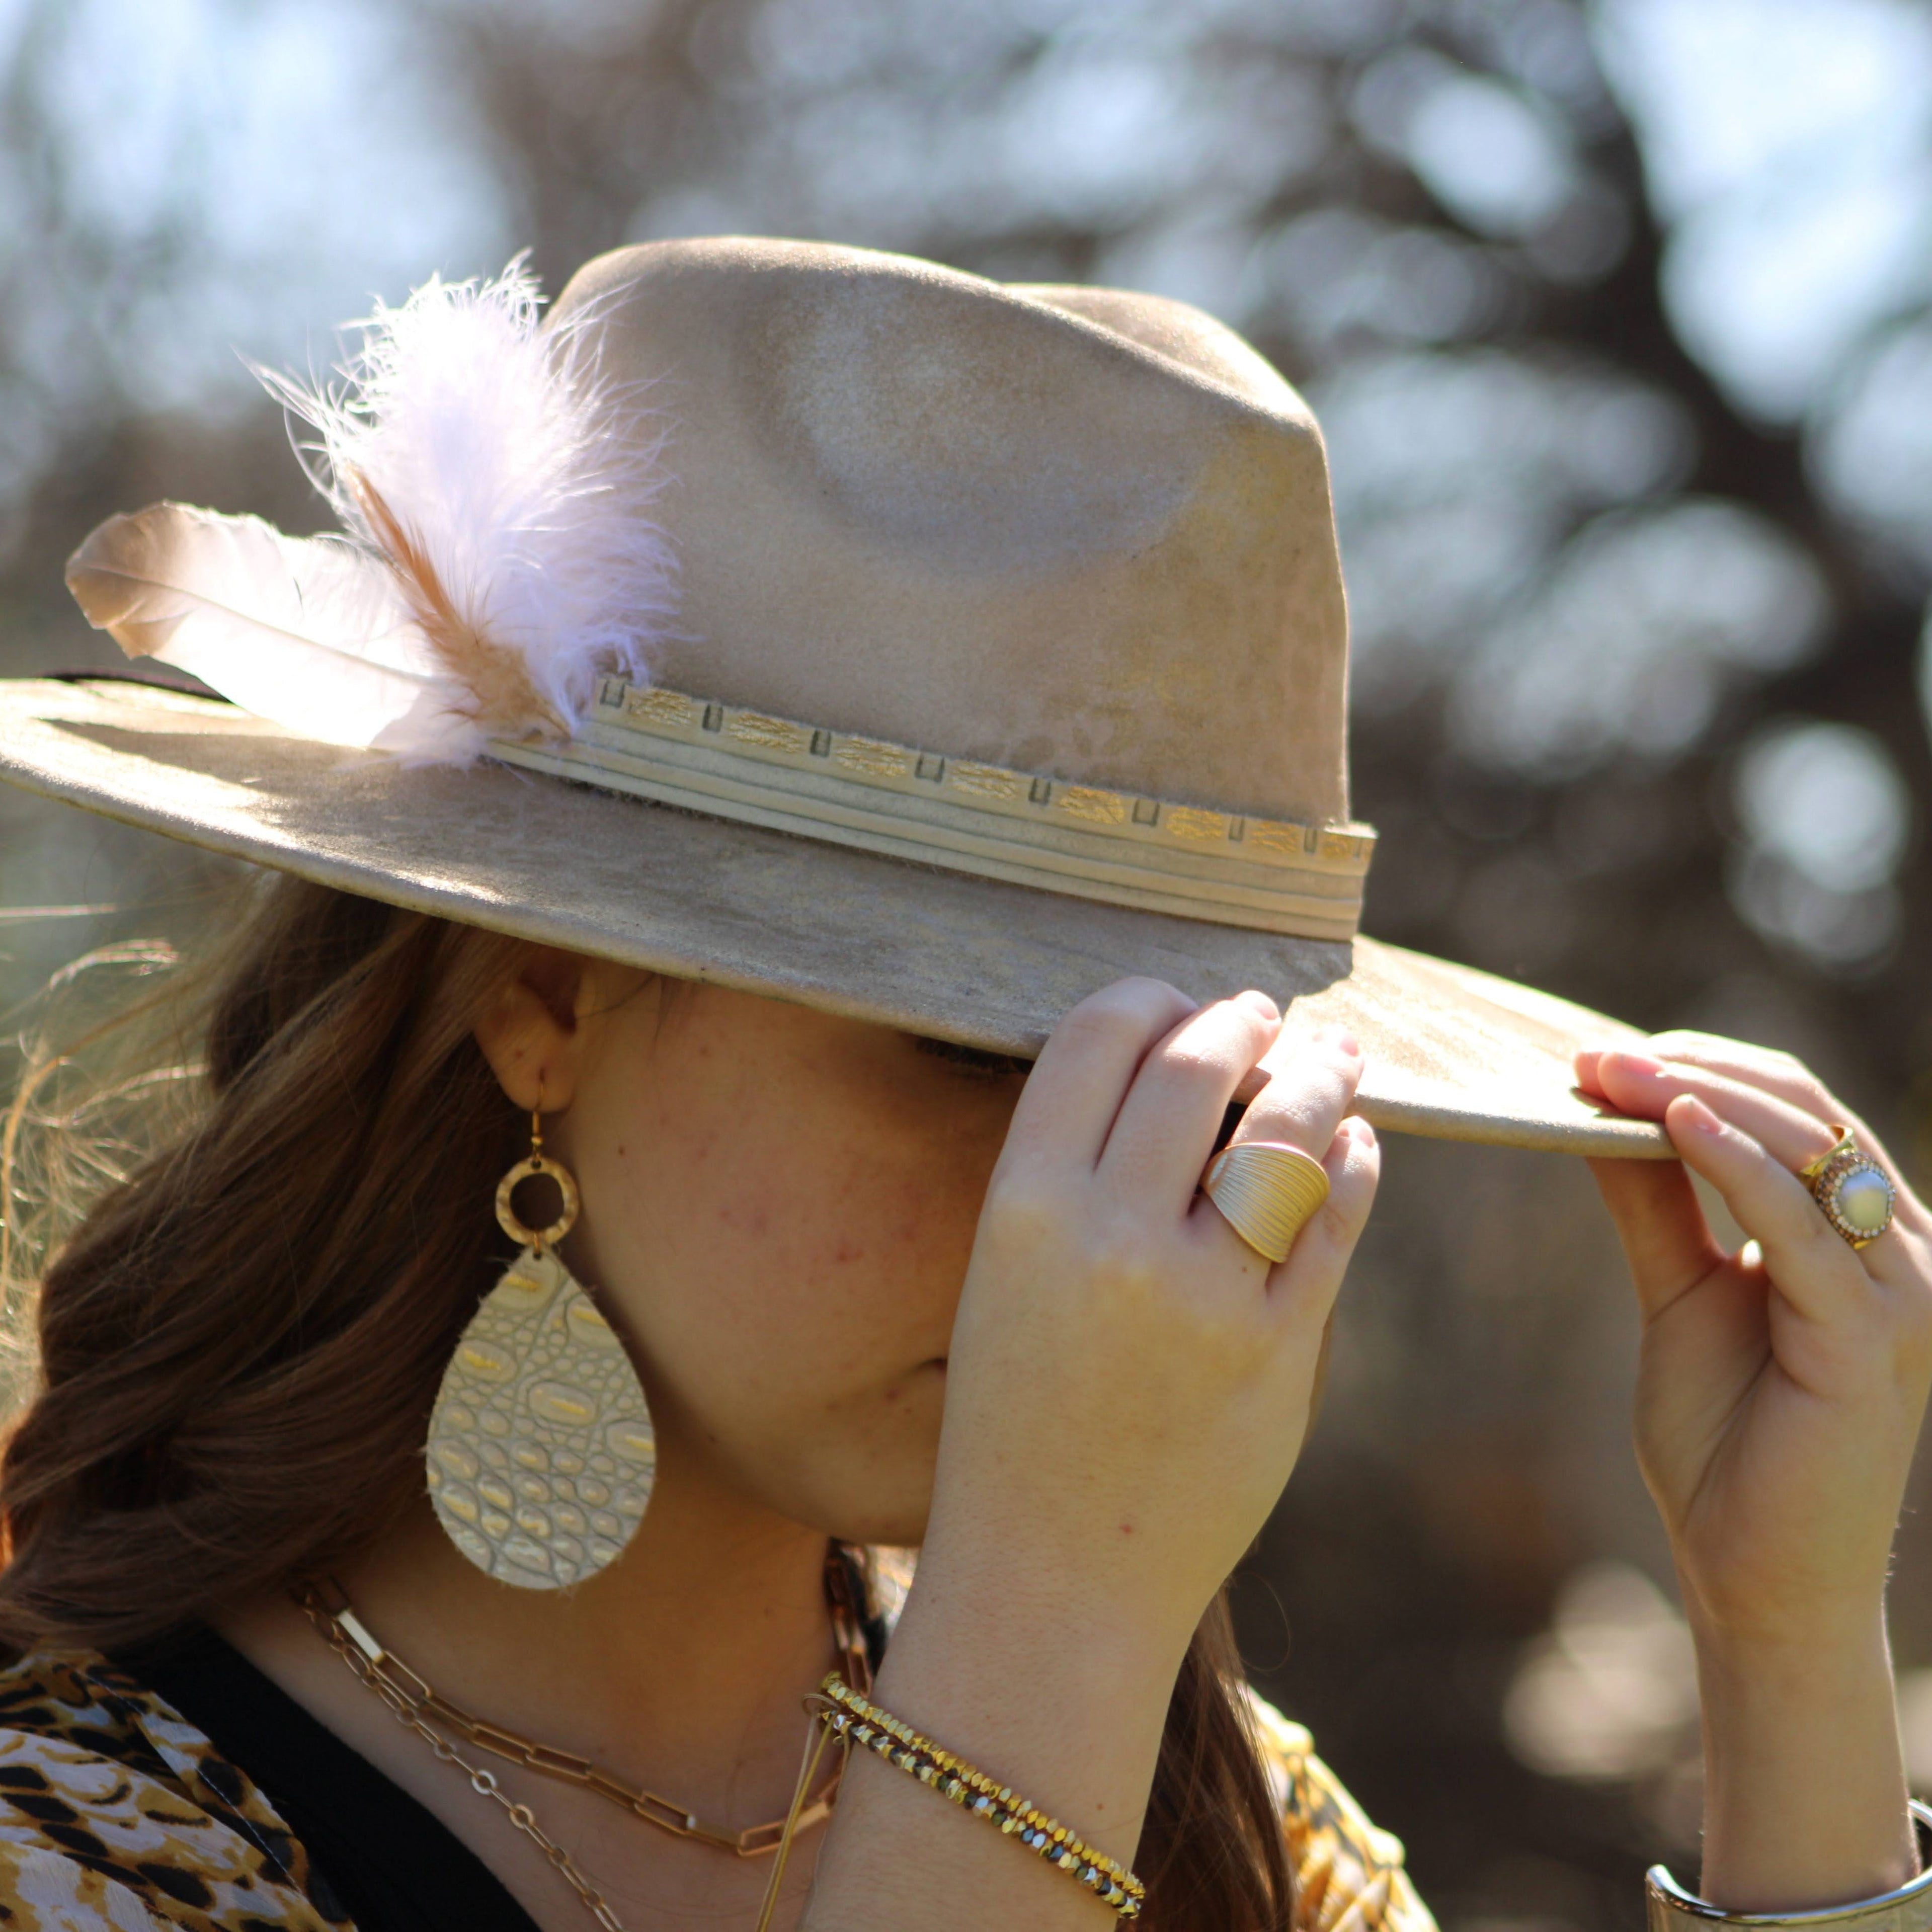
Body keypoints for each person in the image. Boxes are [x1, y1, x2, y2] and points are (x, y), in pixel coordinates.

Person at [0, 238, 1922, 1932]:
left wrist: (1788, 1646)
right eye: (969, 1050)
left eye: (1209, 1096)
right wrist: (1051, 1649)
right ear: (541, 999)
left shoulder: (1241, 1828)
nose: (1092, 1213)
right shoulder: (93, 1849)